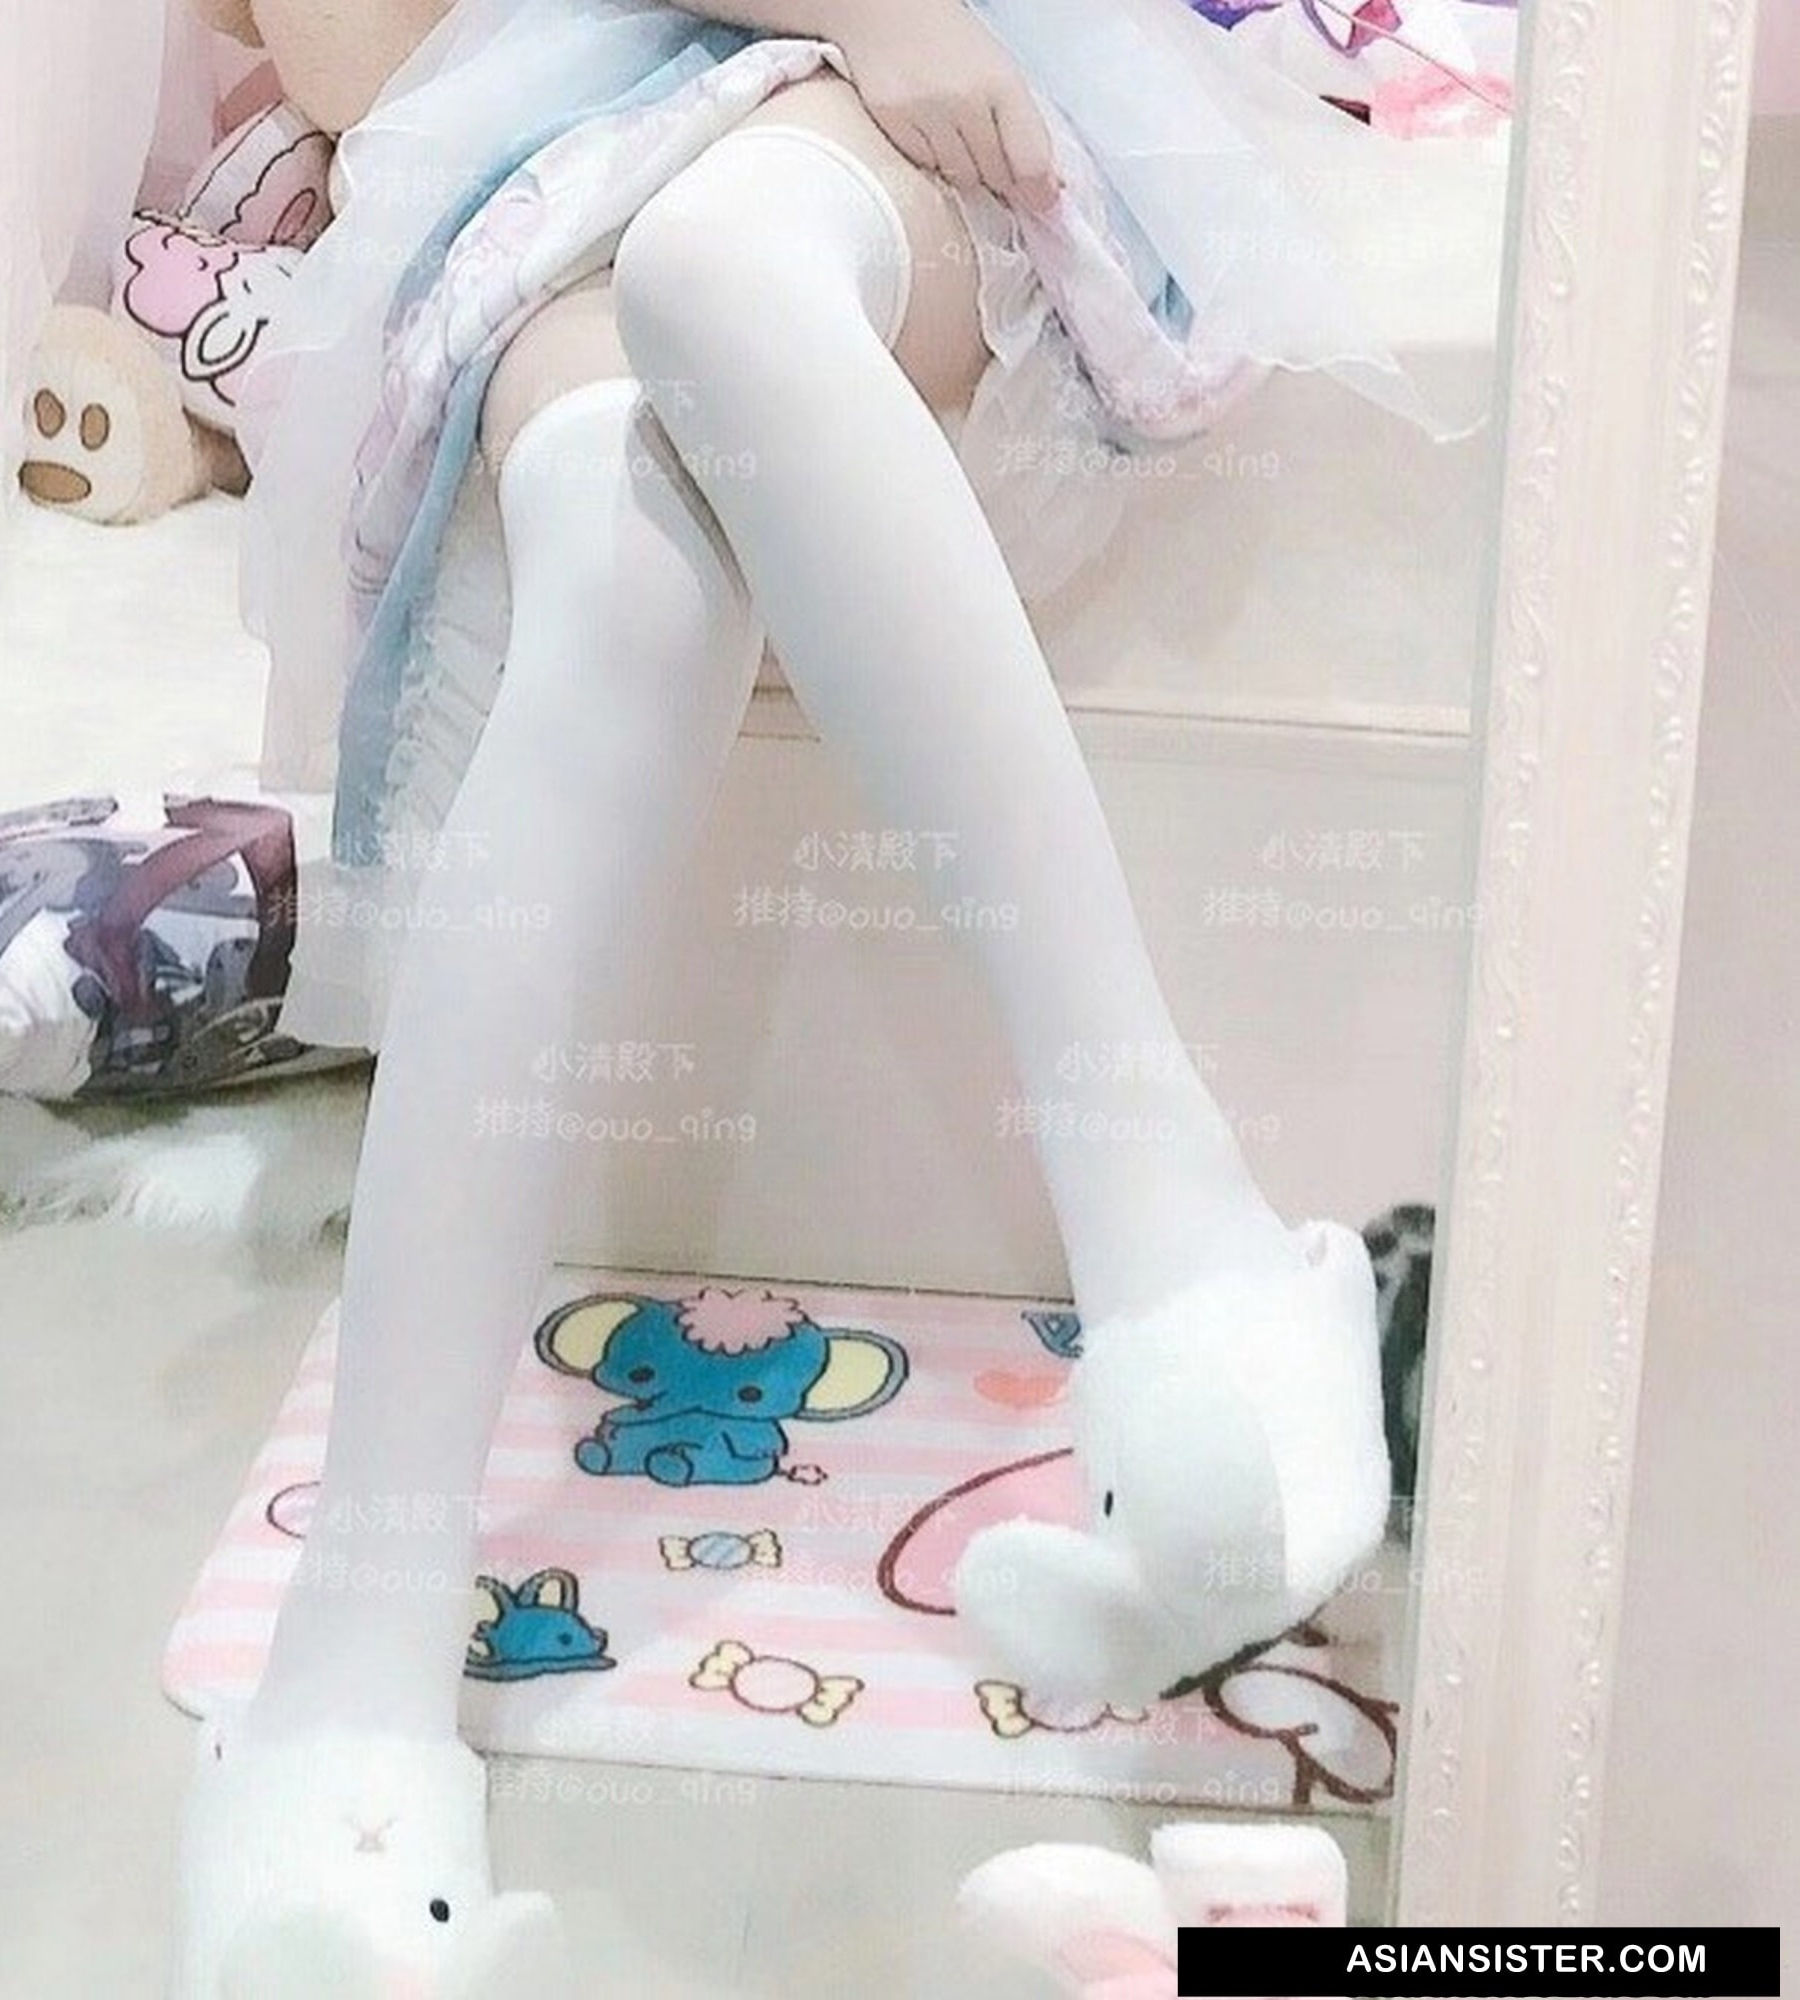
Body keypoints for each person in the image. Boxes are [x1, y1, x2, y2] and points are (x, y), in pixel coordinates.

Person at [177, 2, 1492, 1989]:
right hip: (571, 133)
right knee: (618, 546)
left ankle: (1180, 1236)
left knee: (730, 271)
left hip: (882, 126)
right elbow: (356, 71)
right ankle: (353, 1674)